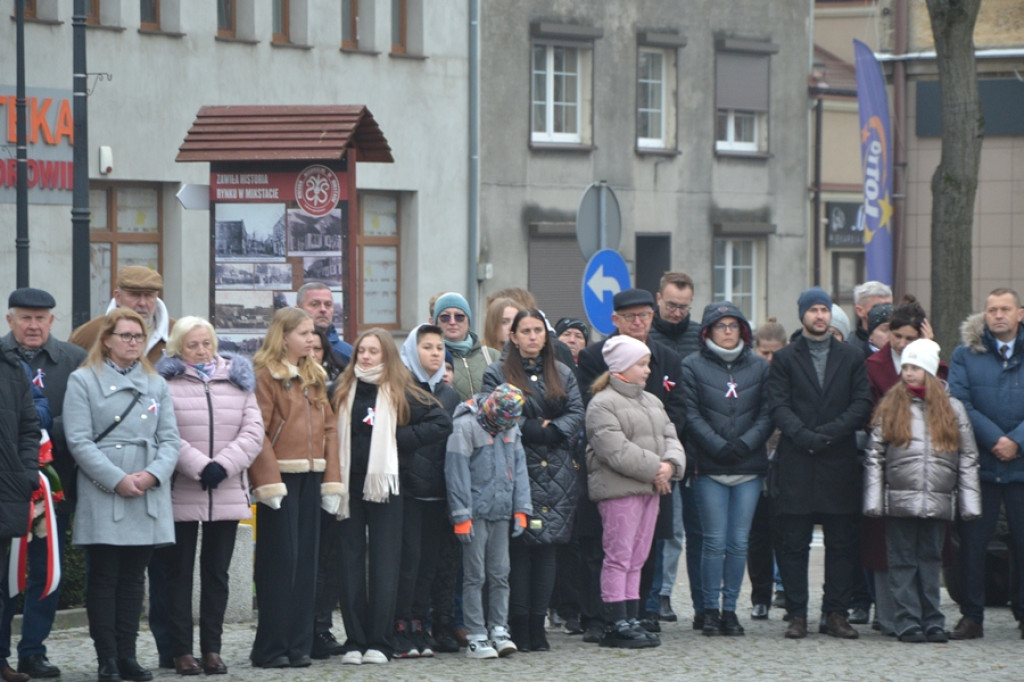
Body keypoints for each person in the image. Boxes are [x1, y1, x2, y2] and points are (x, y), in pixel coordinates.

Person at [63, 308, 180, 682]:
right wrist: (117, 479)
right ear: (107, 340)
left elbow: (171, 439)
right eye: (126, 336)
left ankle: (128, 656)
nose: (133, 342)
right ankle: (107, 659)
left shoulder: (156, 383)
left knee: (134, 579)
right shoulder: (83, 381)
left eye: (138, 336)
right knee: (104, 577)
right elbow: (78, 440)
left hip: (147, 488)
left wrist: (152, 475)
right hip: (105, 488)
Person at [332, 329, 452, 665]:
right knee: (350, 563)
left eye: (374, 352)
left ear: (386, 356)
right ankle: (354, 639)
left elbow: (441, 422)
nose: (366, 357)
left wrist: (397, 440)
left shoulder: (401, 389)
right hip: (348, 489)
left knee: (386, 565)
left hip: (386, 487)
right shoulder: (342, 389)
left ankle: (381, 642)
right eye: (362, 352)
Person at [154, 317, 263, 676]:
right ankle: (181, 650)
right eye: (192, 345)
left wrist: (224, 466)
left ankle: (212, 649)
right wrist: (201, 467)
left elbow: (253, 430)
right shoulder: (166, 384)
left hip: (227, 489)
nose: (201, 351)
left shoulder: (238, 380)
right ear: (178, 349)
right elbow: (165, 431)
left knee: (217, 574)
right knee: (178, 574)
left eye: (206, 343)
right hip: (183, 489)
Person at [577, 288, 686, 634]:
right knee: (610, 551)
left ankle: (636, 614)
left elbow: (674, 422)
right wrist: (657, 466)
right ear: (616, 320)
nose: (639, 322)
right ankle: (605, 618)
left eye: (645, 315)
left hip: (655, 482)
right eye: (630, 316)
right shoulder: (598, 369)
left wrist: (670, 465)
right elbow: (611, 442)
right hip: (619, 482)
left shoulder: (659, 377)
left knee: (643, 552)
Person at [765, 287, 872, 640]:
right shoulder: (784, 359)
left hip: (838, 463)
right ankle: (797, 613)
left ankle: (836, 613)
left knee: (841, 544)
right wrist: (804, 435)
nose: (820, 316)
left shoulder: (852, 356)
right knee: (793, 543)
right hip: (797, 462)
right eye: (813, 310)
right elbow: (778, 405)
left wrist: (826, 435)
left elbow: (860, 404)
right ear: (802, 315)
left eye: (824, 309)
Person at [481, 309, 584, 652]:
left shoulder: (563, 372)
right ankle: (518, 624)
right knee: (520, 549)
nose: (532, 337)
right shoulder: (496, 372)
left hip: (556, 470)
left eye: (538, 330)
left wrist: (552, 429)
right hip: (516, 466)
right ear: (512, 336)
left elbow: (577, 413)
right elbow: (492, 412)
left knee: (548, 549)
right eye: (525, 331)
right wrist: (528, 428)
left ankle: (537, 625)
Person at [864, 339, 981, 642]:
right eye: (905, 367)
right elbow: (875, 454)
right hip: (900, 500)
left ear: (929, 370)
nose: (908, 373)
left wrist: (969, 503)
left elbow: (967, 456)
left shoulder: (952, 408)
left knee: (930, 561)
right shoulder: (891, 404)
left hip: (937, 500)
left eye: (915, 367)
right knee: (901, 561)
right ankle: (907, 620)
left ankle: (932, 620)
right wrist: (875, 499)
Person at [248, 307, 341, 669]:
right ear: (283, 336)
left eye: (311, 333)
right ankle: (271, 646)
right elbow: (259, 433)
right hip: (281, 481)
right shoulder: (265, 376)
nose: (310, 339)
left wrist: (331, 478)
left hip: (311, 476)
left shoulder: (314, 375)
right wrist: (269, 483)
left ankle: (299, 645)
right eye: (303, 333)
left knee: (306, 564)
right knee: (280, 563)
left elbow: (329, 429)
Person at [0, 287, 86, 680]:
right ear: (10, 320)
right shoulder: (1, 358)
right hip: (6, 486)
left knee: (47, 571)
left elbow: (89, 416)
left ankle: (33, 650)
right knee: (5, 575)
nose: (33, 326)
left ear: (52, 321)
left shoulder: (75, 361)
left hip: (55, 485)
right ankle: (0, 653)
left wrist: (46, 435)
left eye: (41, 319)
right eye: (25, 318)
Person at [681, 302, 772, 637]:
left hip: (748, 467)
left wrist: (746, 444)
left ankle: (730, 610)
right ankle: (708, 610)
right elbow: (690, 414)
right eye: (722, 325)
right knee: (713, 542)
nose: (728, 331)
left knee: (738, 543)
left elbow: (767, 412)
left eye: (734, 325)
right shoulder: (692, 365)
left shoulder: (759, 366)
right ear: (708, 331)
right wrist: (717, 445)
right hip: (710, 467)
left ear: (743, 331)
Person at [862, 297, 946, 635]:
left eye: (910, 338)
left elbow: (960, 448)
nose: (901, 344)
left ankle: (930, 618)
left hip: (932, 487)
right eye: (896, 336)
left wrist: (932, 351)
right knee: (893, 555)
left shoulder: (940, 381)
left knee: (928, 555)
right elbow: (872, 443)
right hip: (895, 484)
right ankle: (899, 617)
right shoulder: (874, 367)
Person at [948, 287, 1024, 640]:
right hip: (981, 466)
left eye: (1005, 309)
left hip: (1022, 467)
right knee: (974, 545)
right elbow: (960, 402)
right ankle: (972, 615)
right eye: (991, 309)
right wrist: (996, 440)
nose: (998, 315)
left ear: (1019, 313)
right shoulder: (966, 354)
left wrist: (1017, 442)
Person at [446, 383, 532, 659]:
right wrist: (461, 515)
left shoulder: (511, 428)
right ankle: (476, 633)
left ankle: (499, 628)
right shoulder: (465, 427)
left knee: (500, 574)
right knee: (475, 576)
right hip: (475, 513)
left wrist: (522, 508)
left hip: (502, 511)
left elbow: (520, 469)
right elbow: (456, 473)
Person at [394, 325, 461, 658]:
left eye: (440, 348)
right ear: (411, 351)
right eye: (427, 347)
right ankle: (401, 624)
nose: (435, 353)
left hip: (440, 492)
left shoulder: (451, 395)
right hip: (409, 491)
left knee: (430, 565)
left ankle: (422, 623)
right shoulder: (401, 389)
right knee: (408, 562)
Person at [645, 271, 702, 627]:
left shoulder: (700, 338)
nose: (677, 312)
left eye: (683, 307)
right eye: (670, 305)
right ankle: (648, 593)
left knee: (678, 528)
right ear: (658, 299)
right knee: (654, 526)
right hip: (646, 446)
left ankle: (664, 592)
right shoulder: (644, 338)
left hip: (689, 447)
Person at [0, 339, 42, 682]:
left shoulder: (12, 368)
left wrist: (26, 473)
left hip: (4, 489)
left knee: (1, 585)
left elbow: (29, 428)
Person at [746, 318, 788, 619]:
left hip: (785, 464)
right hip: (756, 462)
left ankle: (786, 590)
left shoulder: (790, 377)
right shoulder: (750, 378)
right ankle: (760, 595)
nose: (770, 359)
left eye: (775, 353)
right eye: (764, 353)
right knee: (757, 535)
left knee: (787, 534)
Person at [69, 266, 175, 366]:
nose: (142, 303)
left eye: (149, 295)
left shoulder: (179, 333)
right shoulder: (88, 335)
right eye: (134, 295)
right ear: (118, 297)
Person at [434, 293, 498, 401]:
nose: (452, 322)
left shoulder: (491, 356)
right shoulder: (433, 357)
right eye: (445, 317)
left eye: (459, 317)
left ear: (468, 321)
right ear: (436, 323)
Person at [296, 281, 353, 363]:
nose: (323, 309)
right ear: (298, 309)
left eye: (328, 304)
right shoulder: (284, 350)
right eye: (315, 304)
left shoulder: (348, 355)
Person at [851, 282, 894, 358]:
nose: (885, 311)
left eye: (889, 306)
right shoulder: (851, 347)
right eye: (877, 307)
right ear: (860, 311)